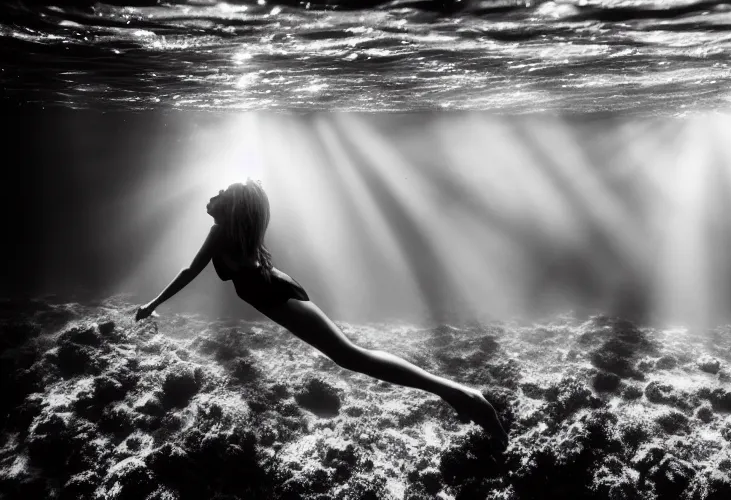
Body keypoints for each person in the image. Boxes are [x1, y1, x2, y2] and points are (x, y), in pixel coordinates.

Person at [135, 179, 508, 447]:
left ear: (231, 210)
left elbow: (188, 272)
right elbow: (198, 269)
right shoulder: (226, 233)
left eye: (221, 194)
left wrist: (153, 304)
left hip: (279, 295)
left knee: (350, 356)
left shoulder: (220, 232)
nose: (212, 196)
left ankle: (461, 395)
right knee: (349, 357)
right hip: (278, 292)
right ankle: (456, 394)